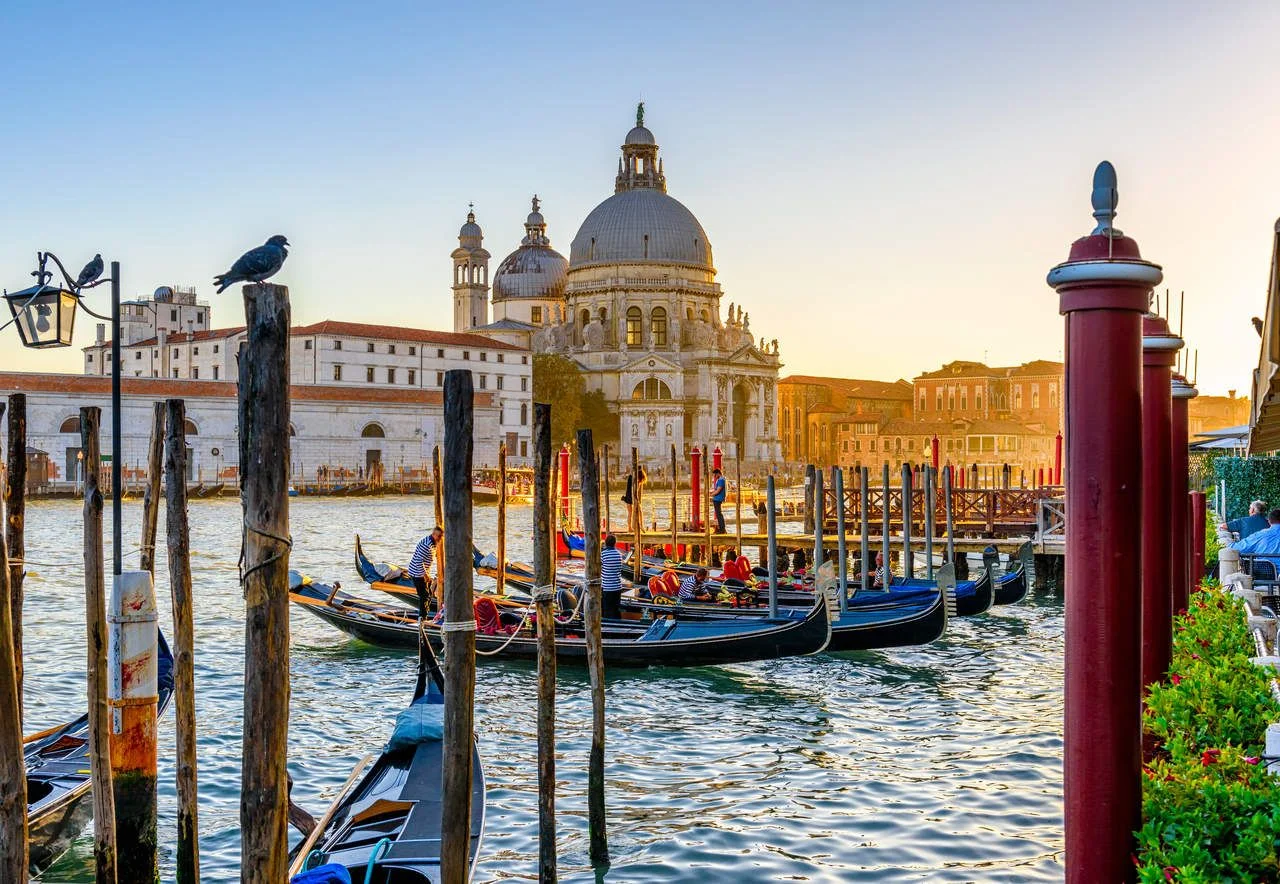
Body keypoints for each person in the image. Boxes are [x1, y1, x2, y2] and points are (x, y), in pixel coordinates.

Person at [407, 526, 443, 616]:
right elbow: (419, 561)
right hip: (417, 573)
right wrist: (425, 576)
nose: (440, 538)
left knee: (428, 594)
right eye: (439, 536)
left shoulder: (433, 542)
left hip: (422, 572)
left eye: (441, 536)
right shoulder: (426, 545)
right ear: (434, 535)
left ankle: (426, 613)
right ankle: (422, 619)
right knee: (424, 597)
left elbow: (433, 554)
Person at [600, 534, 625, 619]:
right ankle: (618, 625)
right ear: (615, 543)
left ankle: (607, 628)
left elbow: (599, 568)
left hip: (607, 587)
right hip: (617, 587)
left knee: (607, 609)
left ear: (606, 543)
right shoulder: (619, 554)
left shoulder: (603, 554)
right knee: (616, 609)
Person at [711, 468, 727, 533]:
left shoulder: (721, 480)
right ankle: (722, 528)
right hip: (717, 498)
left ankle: (722, 529)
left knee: (719, 514)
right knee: (719, 514)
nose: (714, 476)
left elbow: (718, 490)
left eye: (715, 475)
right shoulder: (721, 479)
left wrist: (711, 494)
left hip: (718, 499)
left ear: (718, 473)